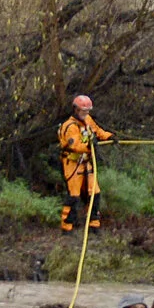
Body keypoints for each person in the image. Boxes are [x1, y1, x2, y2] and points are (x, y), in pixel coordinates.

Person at [57, 95, 114, 234]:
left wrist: (110, 136)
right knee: (74, 196)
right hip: (72, 164)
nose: (86, 114)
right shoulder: (70, 126)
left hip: (86, 162)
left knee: (95, 193)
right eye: (83, 111)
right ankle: (67, 227)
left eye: (88, 111)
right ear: (75, 109)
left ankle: (94, 225)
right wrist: (90, 146)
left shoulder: (87, 120)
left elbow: (97, 131)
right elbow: (75, 145)